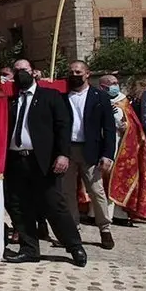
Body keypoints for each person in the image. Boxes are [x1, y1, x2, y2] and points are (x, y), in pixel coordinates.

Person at [3, 59, 86, 266]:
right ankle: (29, 248)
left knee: (53, 204)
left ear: (33, 72)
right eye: (17, 70)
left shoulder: (50, 96)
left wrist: (63, 154)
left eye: (24, 69)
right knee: (19, 205)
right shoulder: (11, 100)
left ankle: (74, 246)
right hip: (16, 160)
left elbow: (63, 126)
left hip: (42, 161)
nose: (20, 73)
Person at [62, 61, 116, 250]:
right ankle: (73, 229)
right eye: (71, 72)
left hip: (91, 150)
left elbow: (109, 128)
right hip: (68, 150)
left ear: (87, 74)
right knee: (67, 191)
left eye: (78, 72)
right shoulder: (63, 96)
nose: (74, 75)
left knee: (96, 190)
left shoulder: (100, 97)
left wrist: (108, 154)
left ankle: (105, 228)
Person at [97, 75, 146, 224]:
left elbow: (134, 124)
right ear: (102, 86)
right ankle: (96, 213)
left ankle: (119, 214)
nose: (115, 85)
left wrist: (125, 126)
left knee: (119, 179)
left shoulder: (123, 101)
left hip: (120, 145)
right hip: (100, 144)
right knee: (99, 180)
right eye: (112, 83)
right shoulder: (96, 99)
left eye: (116, 83)